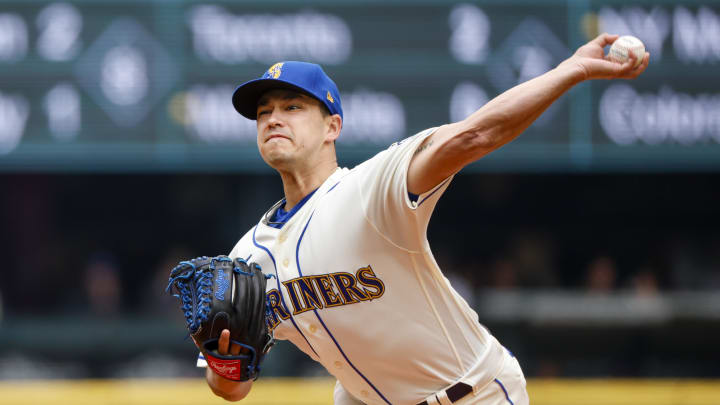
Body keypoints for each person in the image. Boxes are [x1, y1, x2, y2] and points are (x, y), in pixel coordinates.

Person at [198, 33, 649, 404]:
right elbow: (233, 389)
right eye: (264, 112)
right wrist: (223, 360)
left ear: (332, 127)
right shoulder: (245, 258)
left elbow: (475, 135)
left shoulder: (370, 190)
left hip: (470, 397)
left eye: (292, 107)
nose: (273, 118)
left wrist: (572, 69)